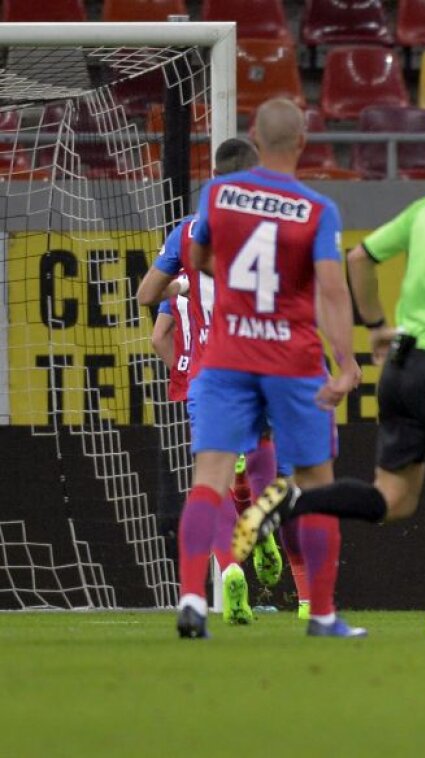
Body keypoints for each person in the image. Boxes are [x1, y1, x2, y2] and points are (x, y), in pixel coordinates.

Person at [233, 127, 425, 642]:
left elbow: (359, 258)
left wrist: (375, 326)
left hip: (401, 370)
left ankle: (295, 500)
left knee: (393, 500)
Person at [178, 98, 363, 639]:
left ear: (254, 137)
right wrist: (346, 364)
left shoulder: (218, 193)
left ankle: (193, 598)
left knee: (208, 479)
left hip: (229, 355)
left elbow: (202, 258)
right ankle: (322, 613)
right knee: (316, 487)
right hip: (294, 359)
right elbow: (332, 291)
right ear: (303, 142)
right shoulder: (317, 209)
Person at [137, 139, 282, 627]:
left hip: (207, 373)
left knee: (211, 484)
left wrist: (178, 283)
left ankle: (228, 570)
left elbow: (145, 296)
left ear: (214, 174)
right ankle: (262, 532)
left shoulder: (188, 232)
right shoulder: (275, 227)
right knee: (268, 469)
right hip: (259, 366)